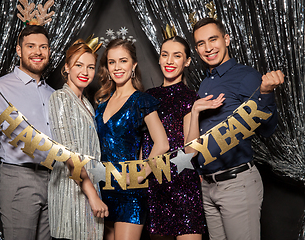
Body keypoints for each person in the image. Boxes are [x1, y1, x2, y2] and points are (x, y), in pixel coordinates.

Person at [185, 17, 284, 240]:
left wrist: (266, 93)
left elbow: (268, 129)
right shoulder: (206, 82)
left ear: (226, 39)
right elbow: (205, 132)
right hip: (209, 186)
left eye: (213, 39)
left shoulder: (246, 76)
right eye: (201, 43)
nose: (208, 48)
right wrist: (200, 172)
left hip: (236, 184)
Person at [0, 25, 54, 240]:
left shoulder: (53, 94)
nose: (38, 52)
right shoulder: (0, 88)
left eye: (43, 47)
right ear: (19, 50)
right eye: (31, 46)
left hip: (53, 179)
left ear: (49, 52)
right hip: (19, 178)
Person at [94, 39, 169, 240]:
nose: (117, 67)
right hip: (104, 189)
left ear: (133, 65)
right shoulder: (101, 105)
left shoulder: (141, 101)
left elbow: (162, 144)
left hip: (130, 192)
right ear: (107, 67)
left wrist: (140, 175)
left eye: (123, 61)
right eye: (112, 62)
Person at [141, 35, 206, 240]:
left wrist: (194, 113)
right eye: (165, 55)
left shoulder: (190, 98)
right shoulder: (148, 96)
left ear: (186, 61)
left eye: (177, 56)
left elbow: (191, 151)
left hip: (183, 185)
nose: (169, 61)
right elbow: (143, 143)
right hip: (155, 184)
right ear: (159, 59)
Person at [47, 38, 108, 240]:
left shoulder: (88, 104)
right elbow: (68, 153)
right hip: (70, 191)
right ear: (67, 68)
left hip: (89, 186)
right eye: (79, 65)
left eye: (90, 67)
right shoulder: (60, 98)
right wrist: (93, 196)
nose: (85, 72)